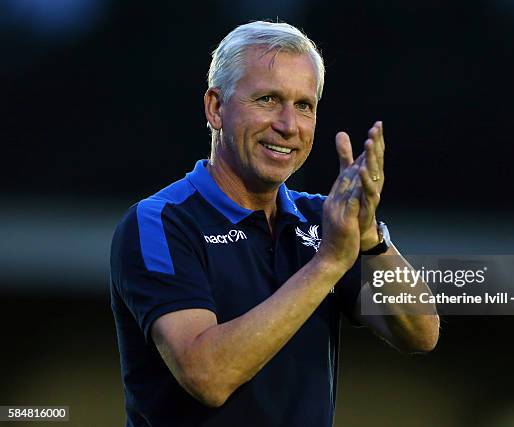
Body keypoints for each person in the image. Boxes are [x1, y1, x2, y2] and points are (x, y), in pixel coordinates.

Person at [110, 20, 439, 427]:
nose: (288, 125)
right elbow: (208, 376)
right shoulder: (160, 222)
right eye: (268, 99)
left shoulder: (326, 219)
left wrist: (370, 239)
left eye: (304, 106)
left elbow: (420, 333)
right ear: (216, 108)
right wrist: (328, 265)